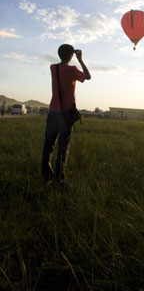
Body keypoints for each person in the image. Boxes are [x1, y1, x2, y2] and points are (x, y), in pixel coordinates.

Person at [42, 44, 91, 187]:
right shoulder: (72, 70)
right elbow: (88, 76)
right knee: (63, 148)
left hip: (52, 112)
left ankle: (47, 177)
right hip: (65, 115)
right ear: (71, 56)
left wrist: (70, 55)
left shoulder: (53, 67)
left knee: (48, 145)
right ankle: (60, 180)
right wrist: (80, 60)